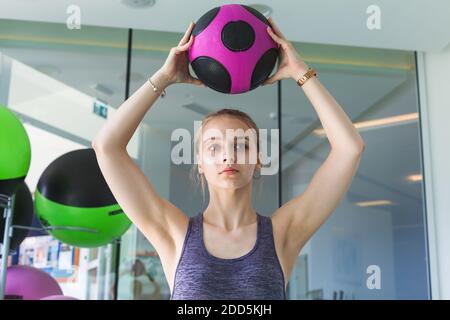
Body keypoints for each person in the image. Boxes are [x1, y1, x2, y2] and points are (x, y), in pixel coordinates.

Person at [92, 18, 365, 300]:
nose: (227, 155)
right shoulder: (173, 232)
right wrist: (164, 77)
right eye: (213, 146)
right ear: (199, 162)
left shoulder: (284, 232)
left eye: (242, 145)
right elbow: (106, 146)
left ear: (258, 159)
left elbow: (350, 148)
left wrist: (301, 72)